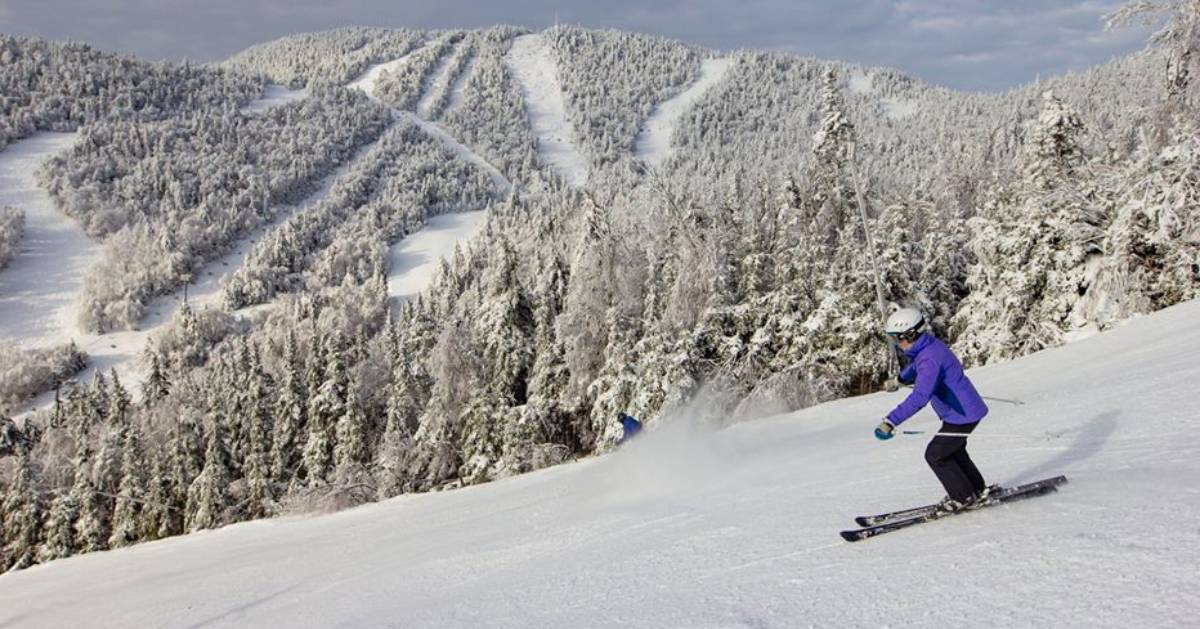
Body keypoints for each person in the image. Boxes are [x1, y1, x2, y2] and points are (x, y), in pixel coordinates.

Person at [873, 307, 994, 512]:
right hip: (961, 411)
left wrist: (890, 421)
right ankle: (976, 489)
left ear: (911, 334)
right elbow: (916, 366)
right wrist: (900, 379)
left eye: (897, 338)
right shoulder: (928, 348)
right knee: (954, 451)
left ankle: (963, 497)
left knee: (936, 455)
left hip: (962, 415)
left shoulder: (930, 358)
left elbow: (920, 397)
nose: (897, 343)